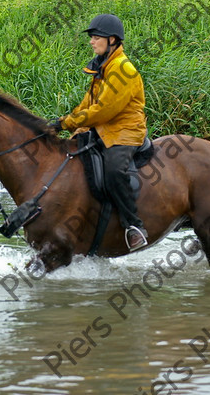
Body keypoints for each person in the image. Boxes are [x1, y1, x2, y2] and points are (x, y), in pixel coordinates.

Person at [50, 13, 149, 251]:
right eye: (92, 38)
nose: (91, 42)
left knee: (114, 171)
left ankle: (134, 227)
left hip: (125, 131)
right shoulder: (102, 66)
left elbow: (104, 110)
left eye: (96, 37)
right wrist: (63, 121)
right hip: (104, 129)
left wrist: (67, 123)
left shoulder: (122, 69)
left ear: (112, 40)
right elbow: (88, 104)